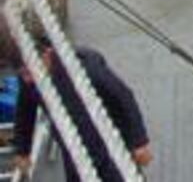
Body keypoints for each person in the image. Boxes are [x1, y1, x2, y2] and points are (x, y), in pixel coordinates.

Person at [10, 39, 152, 182]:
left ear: (47, 55)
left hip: (108, 142)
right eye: (22, 74)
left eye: (28, 72)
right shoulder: (30, 79)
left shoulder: (85, 67)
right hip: (73, 147)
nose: (27, 79)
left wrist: (139, 142)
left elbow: (123, 96)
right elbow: (25, 112)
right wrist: (22, 149)